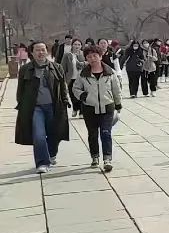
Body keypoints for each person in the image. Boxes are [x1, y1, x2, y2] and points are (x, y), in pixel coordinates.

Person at [15, 41, 70, 174]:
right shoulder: (25, 69)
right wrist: (22, 104)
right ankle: (42, 163)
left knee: (54, 134)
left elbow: (63, 86)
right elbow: (20, 90)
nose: (40, 52)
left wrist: (65, 100)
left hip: (54, 106)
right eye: (37, 50)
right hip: (36, 108)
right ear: (32, 53)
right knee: (39, 136)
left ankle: (51, 155)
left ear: (47, 51)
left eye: (43, 49)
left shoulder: (56, 67)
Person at [71, 44, 122, 172]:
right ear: (86, 59)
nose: (92, 59)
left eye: (95, 56)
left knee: (106, 133)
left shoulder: (110, 72)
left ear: (100, 56)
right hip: (90, 108)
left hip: (107, 107)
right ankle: (95, 156)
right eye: (89, 57)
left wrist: (118, 104)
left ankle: (107, 159)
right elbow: (75, 88)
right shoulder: (83, 74)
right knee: (92, 134)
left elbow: (116, 89)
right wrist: (83, 96)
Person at [61, 38, 86, 117]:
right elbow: (63, 67)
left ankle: (81, 112)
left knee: (81, 94)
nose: (77, 46)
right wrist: (63, 78)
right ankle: (75, 108)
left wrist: (83, 63)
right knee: (72, 95)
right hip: (71, 78)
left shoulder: (83, 54)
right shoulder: (67, 55)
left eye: (79, 44)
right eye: (75, 44)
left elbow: (88, 63)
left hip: (81, 78)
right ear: (72, 45)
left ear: (81, 46)